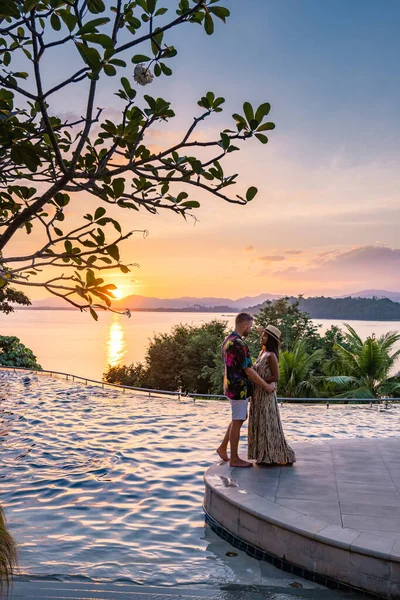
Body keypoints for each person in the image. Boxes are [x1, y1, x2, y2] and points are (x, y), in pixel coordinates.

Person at [216, 312, 276, 468]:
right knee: (237, 421)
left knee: (239, 418)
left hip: (230, 386)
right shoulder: (239, 344)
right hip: (238, 389)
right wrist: (266, 386)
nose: (251, 328)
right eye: (250, 325)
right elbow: (249, 370)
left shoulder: (228, 339)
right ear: (244, 325)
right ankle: (234, 459)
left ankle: (223, 448)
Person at [248, 324, 296, 465]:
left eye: (265, 335)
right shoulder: (261, 353)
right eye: (262, 335)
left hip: (266, 394)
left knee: (268, 424)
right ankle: (263, 454)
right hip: (258, 393)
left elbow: (276, 377)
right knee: (260, 423)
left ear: (271, 339)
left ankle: (278, 455)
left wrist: (259, 380)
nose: (262, 337)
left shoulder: (271, 356)